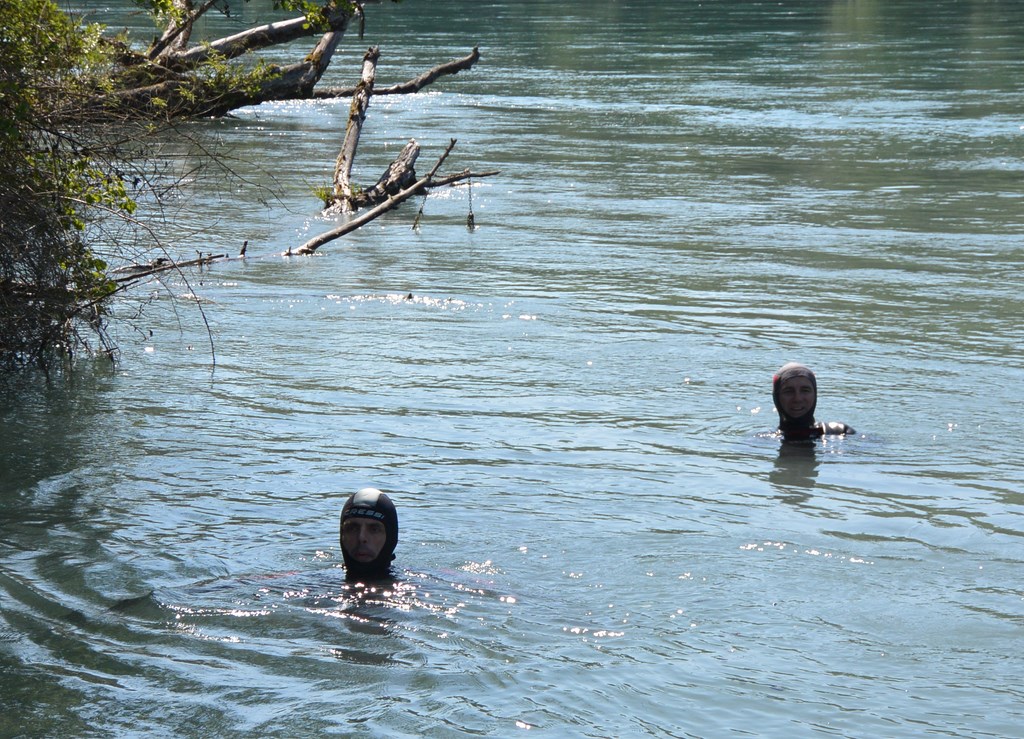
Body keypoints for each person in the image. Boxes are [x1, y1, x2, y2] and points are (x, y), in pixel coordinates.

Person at [772, 362, 855, 441]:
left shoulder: (841, 432)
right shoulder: (765, 440)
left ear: (815, 394)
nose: (797, 399)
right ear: (777, 397)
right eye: (789, 391)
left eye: (805, 390)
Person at [339, 487, 399, 582]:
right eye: (352, 528)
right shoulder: (316, 586)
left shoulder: (419, 589)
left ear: (390, 537)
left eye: (374, 529)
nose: (361, 537)